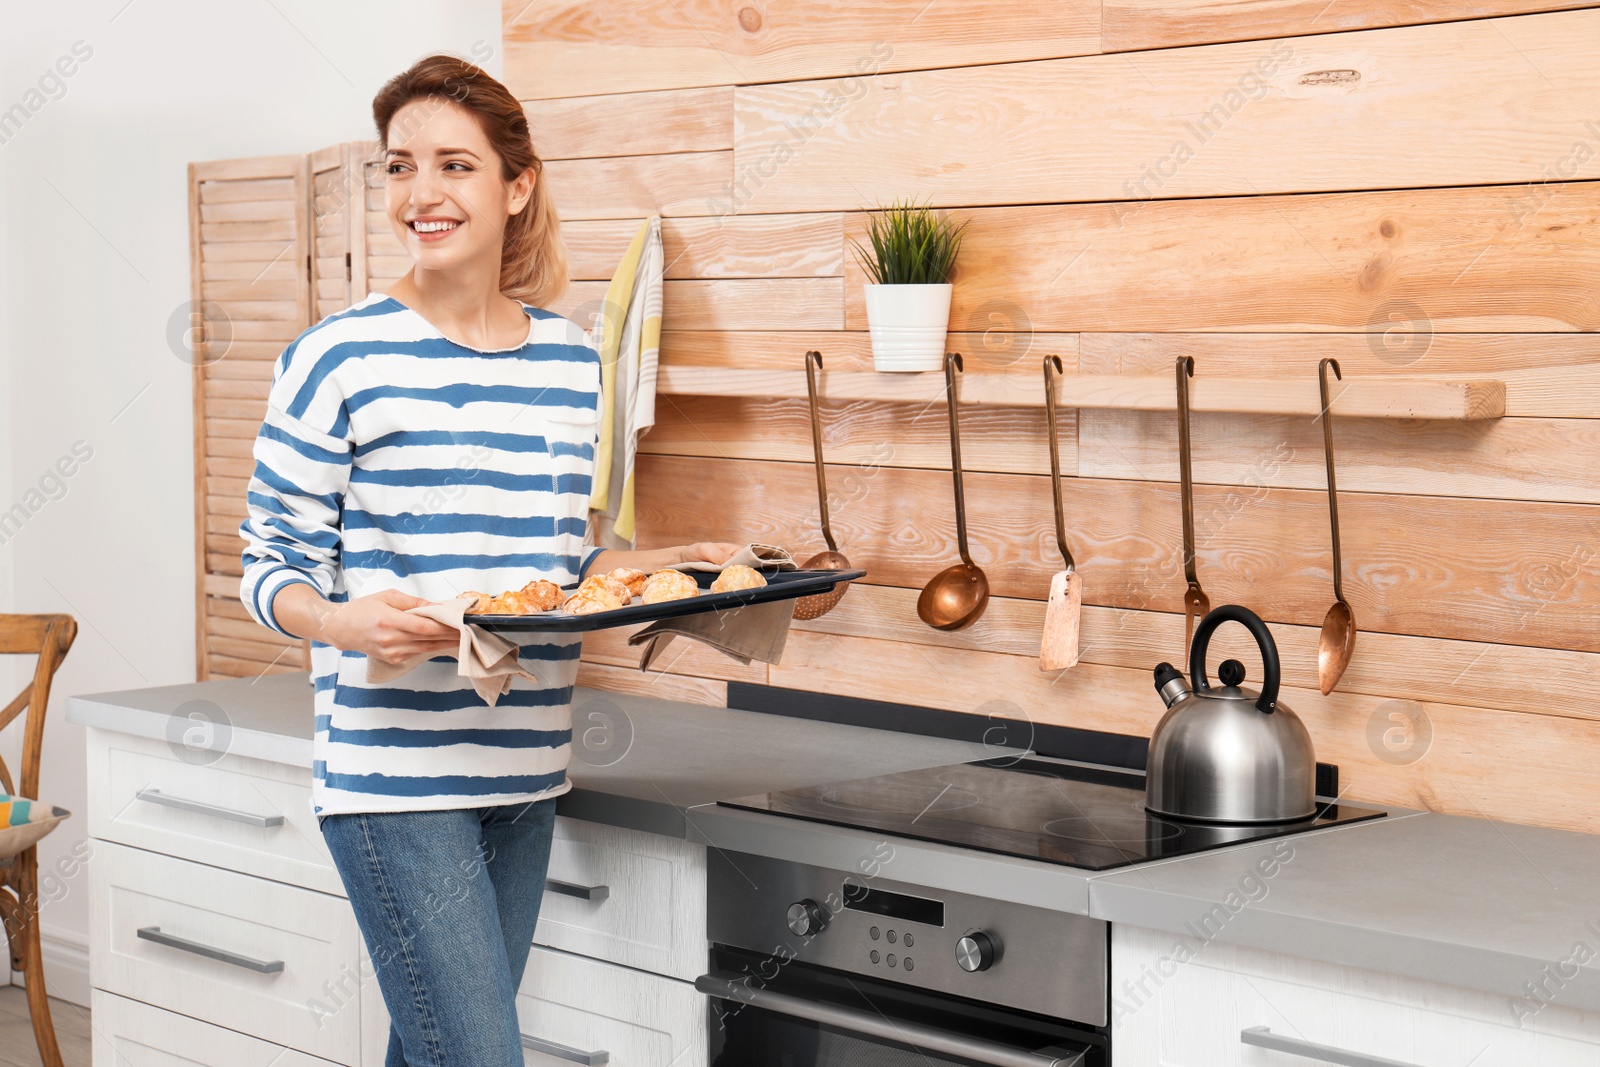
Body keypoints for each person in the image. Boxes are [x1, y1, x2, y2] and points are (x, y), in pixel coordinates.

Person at [238, 54, 740, 1066]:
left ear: (517, 185)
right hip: (395, 778)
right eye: (400, 167)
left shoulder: (567, 361)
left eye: (454, 166)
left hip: (525, 764)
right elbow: (269, 559)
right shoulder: (338, 355)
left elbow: (558, 563)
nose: (421, 193)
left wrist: (671, 563)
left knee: (435, 1051)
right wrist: (338, 619)